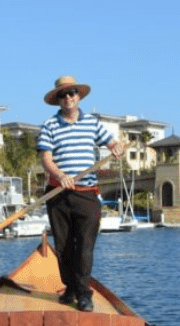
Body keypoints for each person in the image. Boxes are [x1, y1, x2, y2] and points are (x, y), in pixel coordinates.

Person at [37, 75, 124, 312]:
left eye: (72, 93)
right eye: (63, 94)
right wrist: (59, 175)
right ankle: (71, 288)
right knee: (64, 246)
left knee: (85, 245)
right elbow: (46, 158)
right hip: (58, 194)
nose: (68, 97)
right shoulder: (49, 125)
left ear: (78, 96)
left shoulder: (92, 123)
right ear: (58, 99)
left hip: (87, 193)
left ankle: (83, 293)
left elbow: (113, 144)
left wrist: (117, 149)